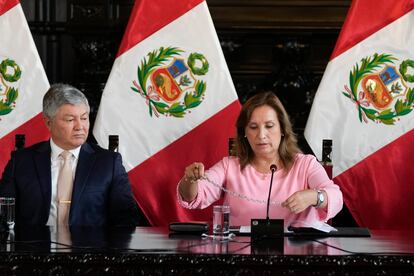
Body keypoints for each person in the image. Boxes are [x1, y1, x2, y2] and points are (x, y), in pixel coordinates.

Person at [177, 91, 343, 228]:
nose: (261, 135)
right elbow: (193, 197)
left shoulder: (305, 164)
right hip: (241, 257)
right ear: (244, 132)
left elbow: (336, 198)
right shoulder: (229, 166)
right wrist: (189, 179)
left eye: (269, 126)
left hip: (297, 257)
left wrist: (314, 196)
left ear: (283, 129)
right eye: (253, 127)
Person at [0, 83, 145, 226]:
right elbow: (3, 215)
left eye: (84, 118)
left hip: (89, 247)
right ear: (48, 122)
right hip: (34, 247)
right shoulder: (21, 161)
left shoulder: (109, 163)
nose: (80, 127)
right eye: (70, 120)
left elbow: (126, 220)